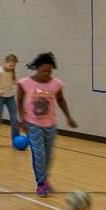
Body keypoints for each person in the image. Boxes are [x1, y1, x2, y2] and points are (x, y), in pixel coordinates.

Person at [15, 52, 76, 195]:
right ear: (36, 68)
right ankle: (41, 183)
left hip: (50, 124)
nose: (46, 74)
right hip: (32, 123)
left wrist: (68, 117)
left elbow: (60, 100)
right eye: (44, 71)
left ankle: (45, 178)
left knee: (49, 155)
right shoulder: (25, 83)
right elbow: (19, 101)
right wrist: (22, 119)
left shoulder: (56, 84)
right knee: (39, 154)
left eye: (49, 71)